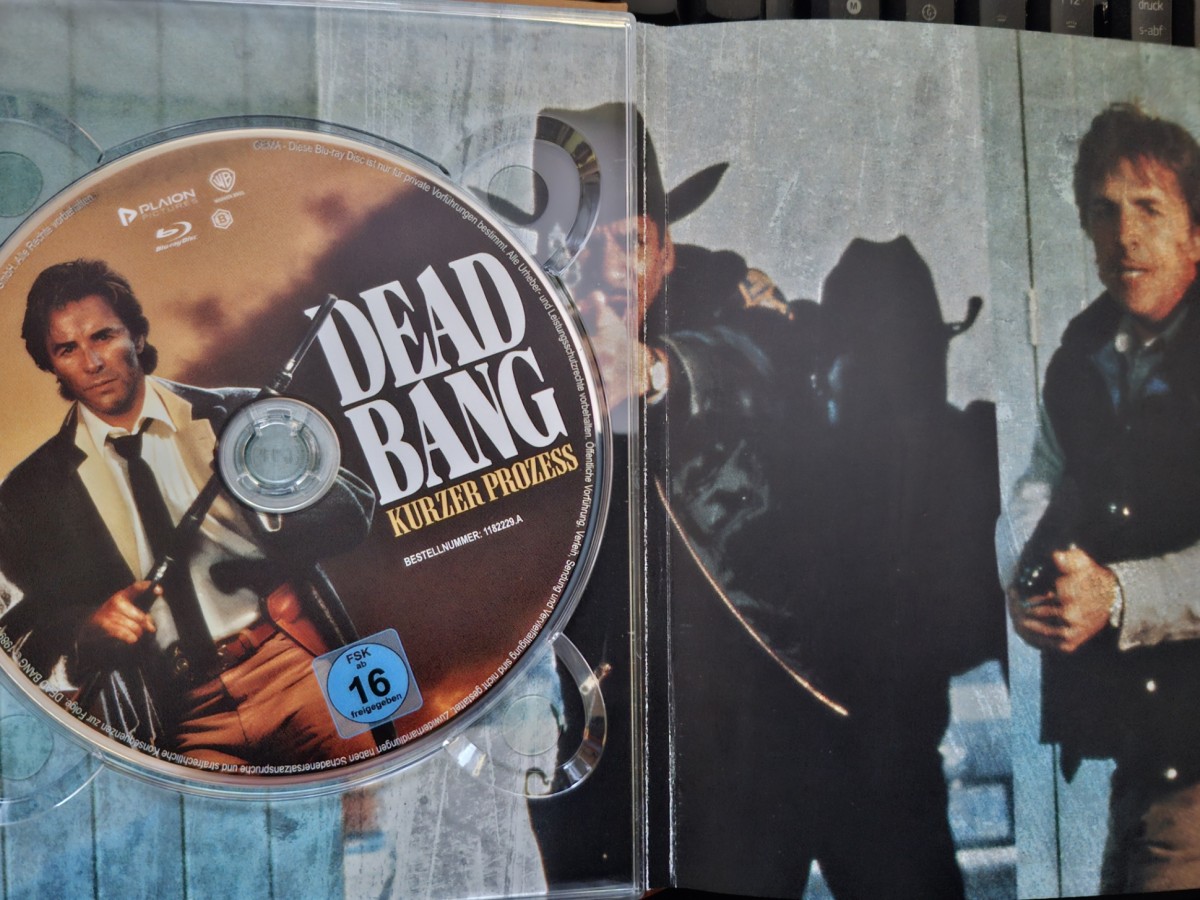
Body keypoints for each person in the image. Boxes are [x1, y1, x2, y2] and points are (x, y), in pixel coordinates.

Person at [0, 258, 379, 768]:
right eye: (67, 349)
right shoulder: (28, 494)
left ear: (136, 333)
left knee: (368, 796)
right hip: (176, 714)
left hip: (292, 665)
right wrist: (85, 632)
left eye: (103, 336)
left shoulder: (234, 414)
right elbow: (18, 633)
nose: (91, 362)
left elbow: (351, 514)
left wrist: (264, 496)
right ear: (51, 364)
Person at [1007, 103, 1200, 894]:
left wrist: (1117, 595)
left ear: (1196, 233)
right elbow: (1040, 481)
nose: (1124, 235)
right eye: (1104, 211)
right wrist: (1025, 582)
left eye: (1150, 209)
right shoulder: (1083, 354)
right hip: (1142, 747)